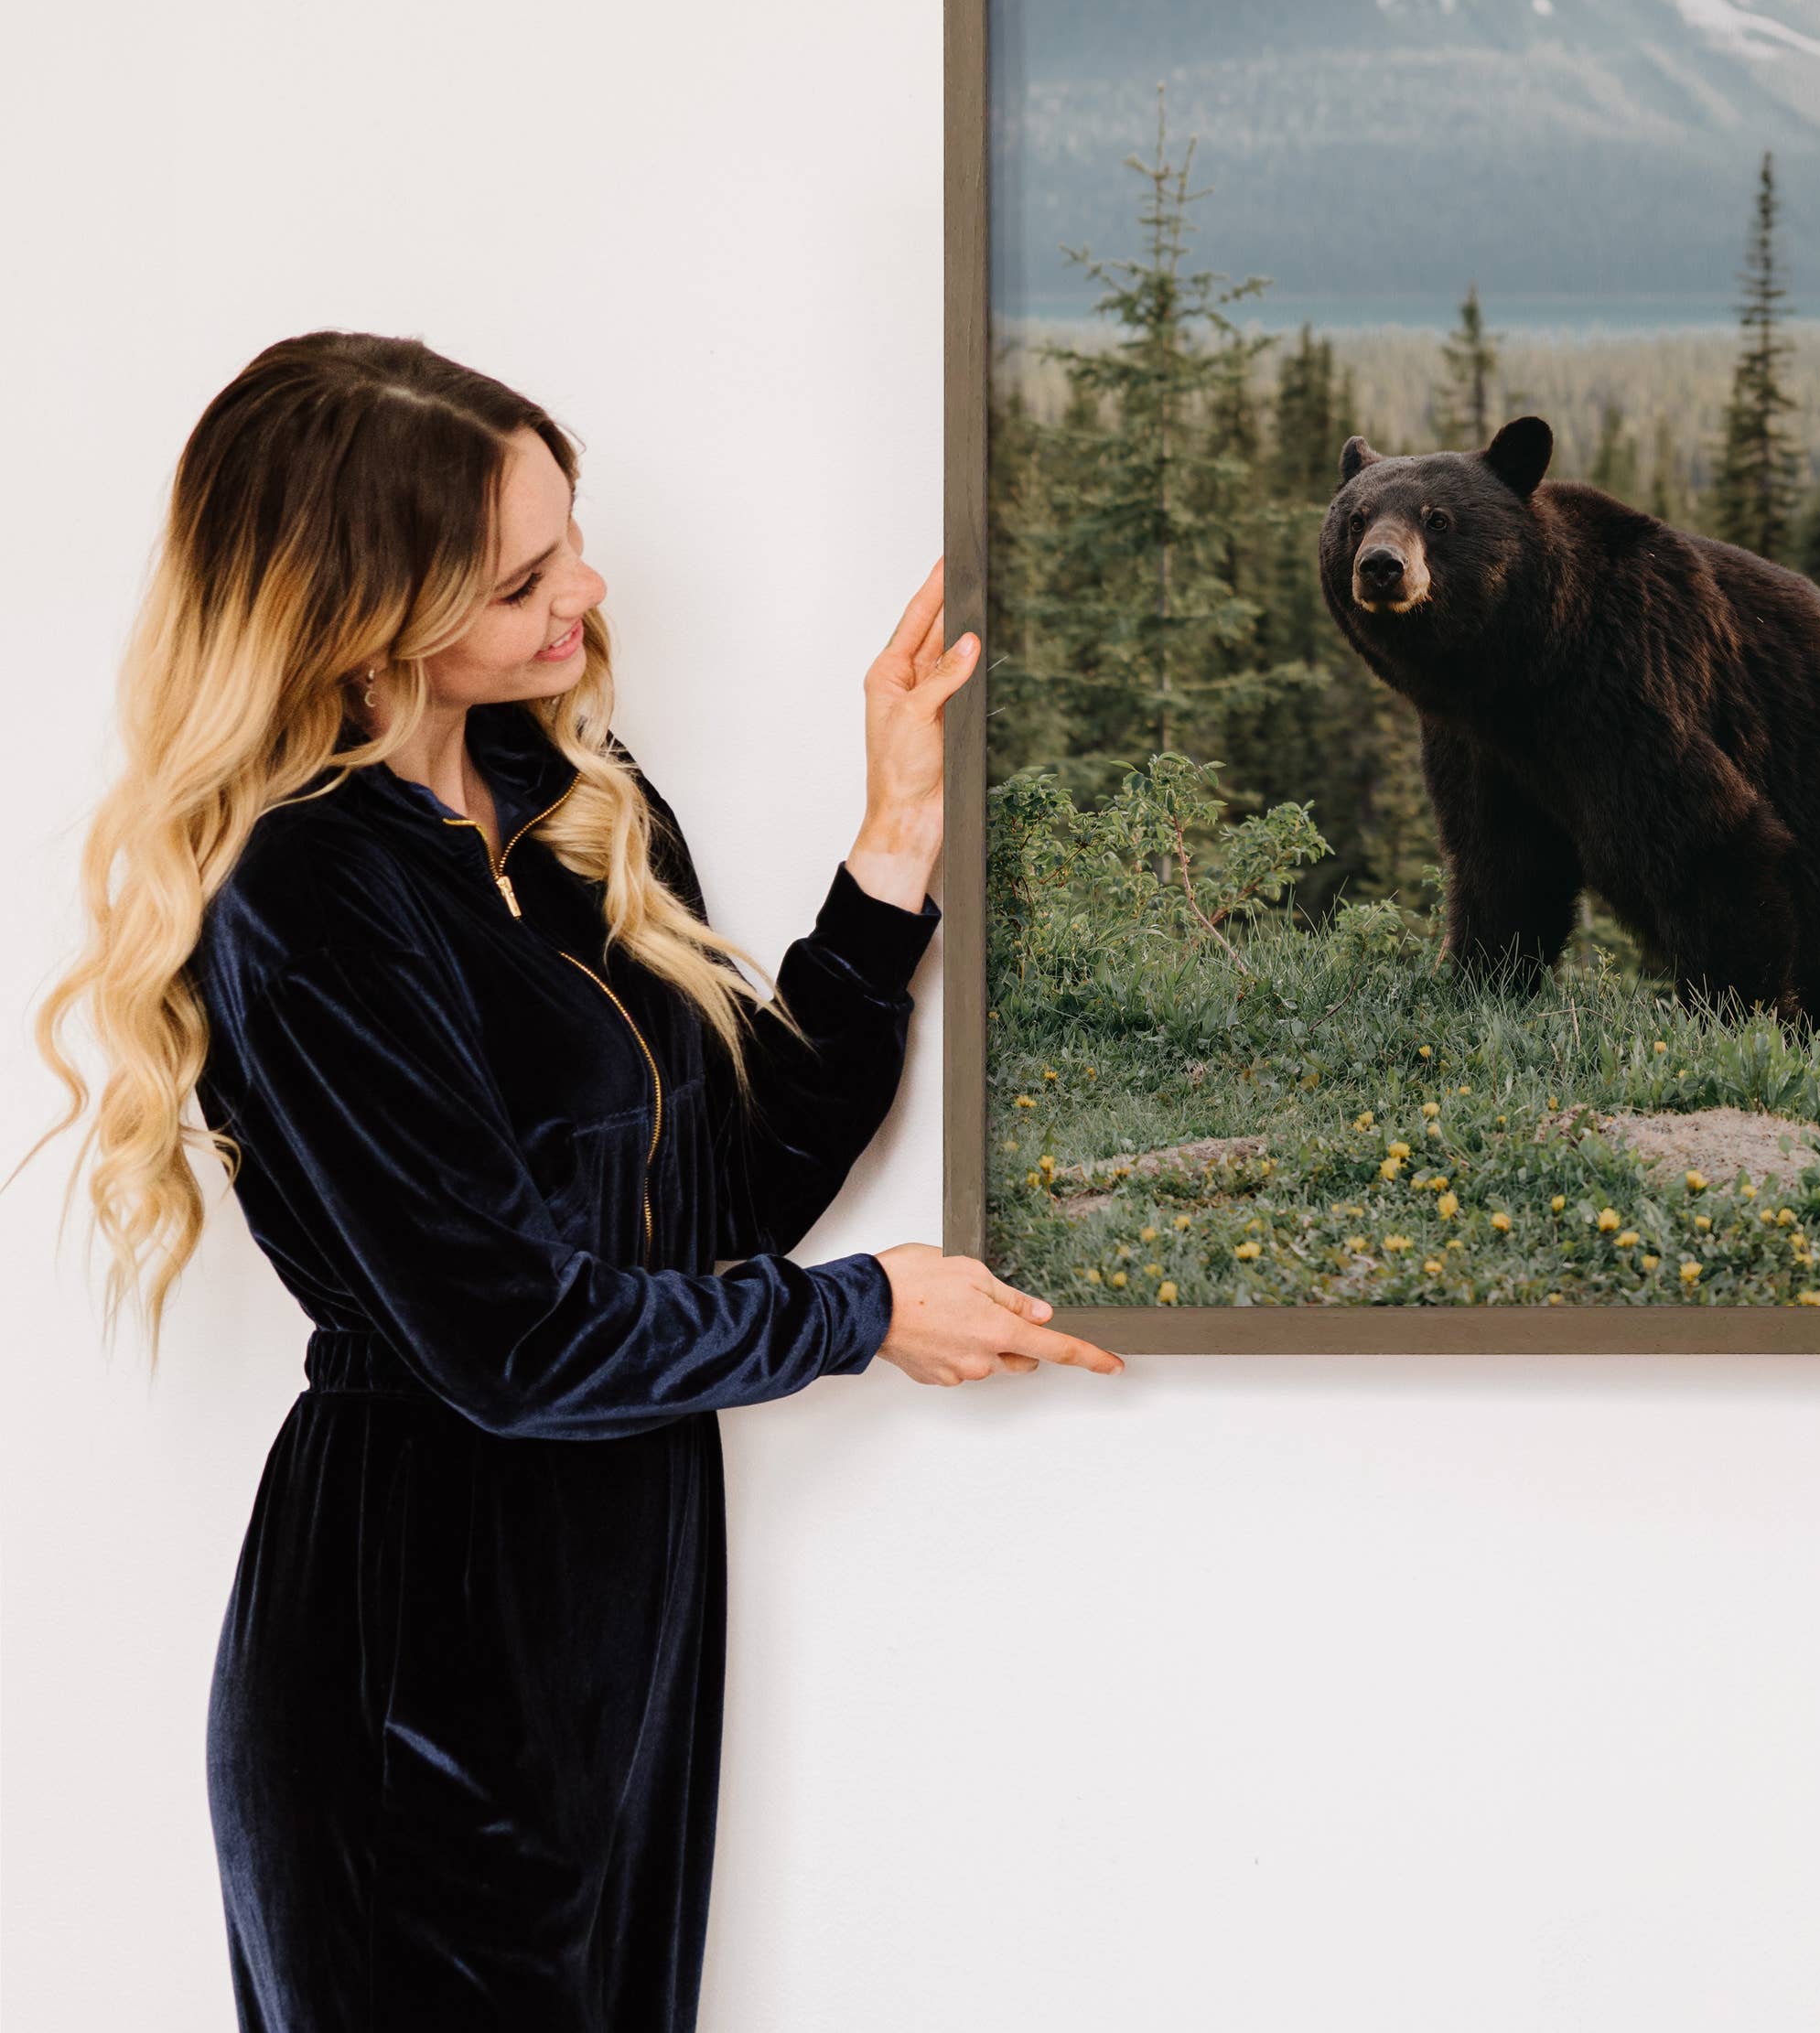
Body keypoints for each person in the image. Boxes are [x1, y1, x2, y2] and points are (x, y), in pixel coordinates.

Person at [32, 331, 1121, 2032]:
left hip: (616, 1619)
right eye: (523, 576)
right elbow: (514, 1340)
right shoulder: (301, 899)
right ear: (357, 617)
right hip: (419, 1652)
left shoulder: (567, 800)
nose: (587, 595)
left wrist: (892, 843)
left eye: (571, 534)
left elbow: (729, 1199)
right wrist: (863, 1318)